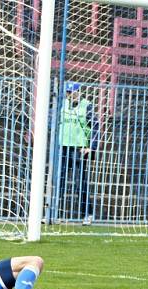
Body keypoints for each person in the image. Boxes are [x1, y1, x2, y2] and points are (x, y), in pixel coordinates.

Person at [57, 81, 98, 223]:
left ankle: (87, 214)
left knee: (80, 182)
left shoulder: (86, 106)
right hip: (63, 147)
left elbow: (95, 126)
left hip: (79, 149)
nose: (69, 95)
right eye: (67, 92)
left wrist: (91, 146)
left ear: (78, 92)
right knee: (58, 181)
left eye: (71, 92)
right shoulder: (62, 105)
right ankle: (53, 213)